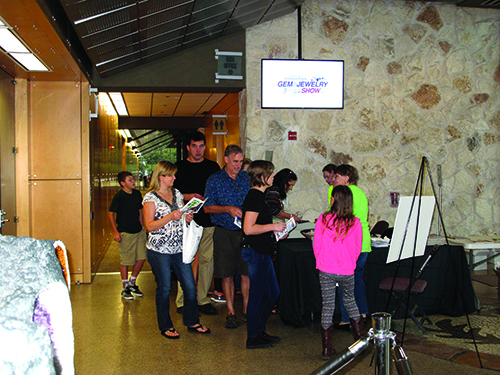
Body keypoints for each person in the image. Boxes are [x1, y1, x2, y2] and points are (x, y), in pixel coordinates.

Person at [143, 161, 210, 339]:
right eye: (171, 175)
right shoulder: (150, 198)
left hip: (180, 248)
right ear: (161, 177)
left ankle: (192, 321)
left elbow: (180, 218)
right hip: (159, 250)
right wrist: (170, 216)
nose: (174, 178)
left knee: (189, 286)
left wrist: (186, 218)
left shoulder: (177, 193)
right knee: (164, 288)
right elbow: (149, 226)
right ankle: (166, 325)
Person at [313, 185, 364, 358]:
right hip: (347, 270)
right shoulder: (355, 222)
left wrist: (322, 261)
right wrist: (349, 263)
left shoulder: (323, 219)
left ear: (334, 200)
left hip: (326, 269)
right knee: (350, 301)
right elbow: (357, 249)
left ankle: (327, 348)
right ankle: (360, 341)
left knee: (328, 305)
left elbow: (317, 245)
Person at [174, 131, 221, 316]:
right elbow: (171, 192)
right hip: (186, 221)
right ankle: (182, 300)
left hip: (208, 220)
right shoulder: (179, 167)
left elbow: (217, 190)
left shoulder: (212, 166)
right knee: (186, 259)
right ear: (188, 147)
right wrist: (187, 196)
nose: (198, 150)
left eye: (201, 146)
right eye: (194, 146)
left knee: (206, 260)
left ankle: (203, 299)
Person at [204, 145, 251, 329]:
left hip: (245, 232)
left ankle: (247, 310)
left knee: (246, 272)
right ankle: (231, 312)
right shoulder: (214, 180)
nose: (238, 165)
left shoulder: (246, 179)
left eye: (240, 161)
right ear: (226, 159)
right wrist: (227, 209)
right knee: (226, 274)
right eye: (235, 161)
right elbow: (207, 208)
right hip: (224, 231)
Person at [242, 160, 286, 349]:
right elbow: (248, 228)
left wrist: (274, 231)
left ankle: (259, 331)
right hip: (255, 251)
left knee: (273, 292)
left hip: (262, 250)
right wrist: (273, 226)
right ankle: (253, 337)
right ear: (262, 177)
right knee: (257, 295)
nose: (274, 176)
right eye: (271, 173)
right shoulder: (254, 197)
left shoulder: (260, 196)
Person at [331, 164, 371, 331]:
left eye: (337, 176)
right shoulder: (360, 193)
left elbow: (338, 218)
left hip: (349, 243)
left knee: (344, 281)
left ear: (347, 178)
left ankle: (347, 319)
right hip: (363, 243)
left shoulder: (345, 194)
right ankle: (362, 313)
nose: (334, 179)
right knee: (357, 280)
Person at [108, 171, 147, 300]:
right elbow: (110, 214)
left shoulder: (136, 194)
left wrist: (143, 227)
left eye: (133, 179)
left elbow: (139, 210)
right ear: (122, 183)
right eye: (130, 180)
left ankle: (132, 283)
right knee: (126, 260)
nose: (133, 181)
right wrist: (115, 231)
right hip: (125, 232)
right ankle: (125, 287)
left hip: (138, 231)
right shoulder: (119, 196)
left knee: (141, 258)